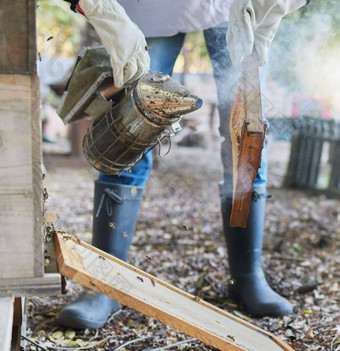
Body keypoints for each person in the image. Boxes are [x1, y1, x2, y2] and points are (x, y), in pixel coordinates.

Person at [57, 0, 310, 329]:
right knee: (128, 125)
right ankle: (106, 283)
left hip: (234, 7)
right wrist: (102, 11)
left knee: (247, 130)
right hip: (149, 10)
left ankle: (248, 277)